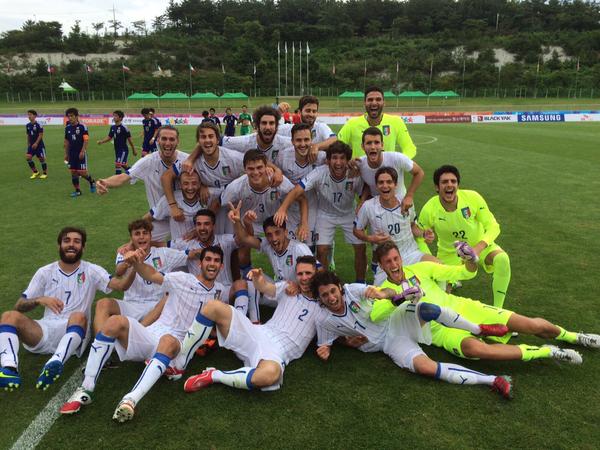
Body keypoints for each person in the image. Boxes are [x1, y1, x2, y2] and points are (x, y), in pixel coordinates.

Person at [60, 246, 226, 421]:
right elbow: (152, 274)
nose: (212, 264)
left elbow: (224, 319)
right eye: (208, 259)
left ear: (221, 266)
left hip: (177, 345)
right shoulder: (182, 279)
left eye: (216, 261)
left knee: (168, 341)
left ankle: (130, 399)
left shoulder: (220, 291)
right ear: (201, 263)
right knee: (115, 321)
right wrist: (136, 263)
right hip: (152, 335)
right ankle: (86, 389)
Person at [374, 240, 598, 364]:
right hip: (440, 331)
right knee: (478, 350)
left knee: (532, 325)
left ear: (401, 258)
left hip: (465, 308)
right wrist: (398, 299)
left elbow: (464, 274)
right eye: (388, 262)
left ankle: (576, 337)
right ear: (382, 266)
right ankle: (547, 352)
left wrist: (471, 261)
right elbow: (376, 315)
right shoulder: (384, 290)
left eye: (396, 258)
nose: (394, 264)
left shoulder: (421, 269)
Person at [312, 270, 513, 399]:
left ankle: (478, 328)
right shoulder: (323, 319)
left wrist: (383, 294)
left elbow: (388, 293)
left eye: (332, 291)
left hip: (395, 320)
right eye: (325, 295)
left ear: (339, 287)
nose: (331, 298)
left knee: (427, 309)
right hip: (388, 344)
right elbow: (328, 342)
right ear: (319, 299)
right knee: (425, 368)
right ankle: (493, 380)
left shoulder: (353, 291)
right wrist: (345, 343)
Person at [0, 227, 134, 391]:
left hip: (75, 331)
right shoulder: (45, 272)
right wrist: (39, 300)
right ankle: (9, 368)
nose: (71, 245)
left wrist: (134, 265)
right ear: (59, 246)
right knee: (9, 316)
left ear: (83, 248)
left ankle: (55, 362)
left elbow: (121, 285)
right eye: (67, 241)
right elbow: (20, 305)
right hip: (45, 330)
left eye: (77, 242)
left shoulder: (91, 270)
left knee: (78, 315)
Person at [182, 256, 330, 394]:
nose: (304, 278)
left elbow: (338, 326)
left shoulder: (324, 306)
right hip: (257, 332)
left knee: (270, 375)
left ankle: (214, 375)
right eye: (300, 274)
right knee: (213, 307)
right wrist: (258, 278)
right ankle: (179, 363)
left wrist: (327, 346)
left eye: (308, 273)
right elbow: (265, 287)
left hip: (276, 352)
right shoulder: (288, 288)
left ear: (316, 273)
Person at [417, 165, 511, 308]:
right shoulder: (429, 208)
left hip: (478, 245)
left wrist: (478, 248)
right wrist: (431, 258)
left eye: (453, 181)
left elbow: (493, 226)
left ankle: (498, 310)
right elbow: (419, 236)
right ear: (437, 187)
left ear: (458, 185)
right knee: (440, 299)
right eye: (444, 182)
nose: (449, 185)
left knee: (502, 259)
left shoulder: (473, 198)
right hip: (449, 253)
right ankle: (450, 284)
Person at [275, 141, 366, 282]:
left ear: (347, 160)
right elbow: (297, 190)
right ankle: (324, 283)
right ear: (328, 161)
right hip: (325, 214)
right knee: (322, 250)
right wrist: (283, 208)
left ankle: (361, 283)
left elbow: (365, 190)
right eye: (334, 158)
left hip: (349, 213)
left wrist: (361, 204)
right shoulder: (319, 172)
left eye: (342, 158)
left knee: (360, 248)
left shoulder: (354, 173)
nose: (338, 162)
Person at [93, 219, 188, 335]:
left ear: (150, 236)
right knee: (103, 303)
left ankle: (135, 333)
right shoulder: (125, 253)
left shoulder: (164, 253)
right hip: (132, 304)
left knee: (169, 299)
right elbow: (118, 272)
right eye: (137, 234)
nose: (142, 237)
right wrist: (133, 262)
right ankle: (99, 343)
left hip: (156, 305)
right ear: (131, 238)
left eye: (145, 233)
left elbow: (191, 254)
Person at [95, 126, 189, 240]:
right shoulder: (149, 161)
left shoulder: (187, 160)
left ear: (178, 141)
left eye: (172, 139)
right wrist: (104, 182)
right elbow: (124, 177)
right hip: (157, 218)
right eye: (164, 139)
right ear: (157, 140)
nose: (167, 143)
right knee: (140, 245)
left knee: (188, 250)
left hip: (182, 215)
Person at [354, 167, 439, 284]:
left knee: (440, 268)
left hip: (411, 253)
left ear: (395, 185)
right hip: (387, 260)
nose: (385, 186)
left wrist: (423, 233)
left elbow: (412, 226)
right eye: (381, 182)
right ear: (377, 186)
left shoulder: (406, 202)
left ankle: (443, 300)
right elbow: (357, 230)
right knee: (382, 295)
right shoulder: (368, 207)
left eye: (389, 182)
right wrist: (370, 238)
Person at [161, 122, 244, 234]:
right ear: (198, 142)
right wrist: (173, 206)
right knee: (215, 243)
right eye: (203, 137)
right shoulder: (191, 162)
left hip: (233, 206)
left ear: (218, 140)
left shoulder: (233, 157)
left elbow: (254, 165)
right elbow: (166, 177)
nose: (207, 140)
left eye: (211, 136)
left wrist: (275, 169)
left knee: (237, 243)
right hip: (212, 208)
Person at [274, 123, 327, 248]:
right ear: (292, 141)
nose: (303, 144)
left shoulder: (321, 157)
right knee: (290, 245)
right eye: (298, 140)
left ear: (311, 140)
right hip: (289, 207)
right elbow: (277, 177)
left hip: (312, 204)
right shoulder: (283, 157)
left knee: (309, 244)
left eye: (306, 140)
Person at [338, 86, 417, 159]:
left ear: (384, 103)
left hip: (386, 173)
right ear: (364, 103)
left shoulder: (396, 122)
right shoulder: (352, 123)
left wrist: (398, 161)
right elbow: (337, 146)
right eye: (370, 100)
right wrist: (348, 162)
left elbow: (409, 148)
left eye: (378, 99)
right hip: (360, 173)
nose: (374, 103)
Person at [354, 127, 423, 209]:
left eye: (376, 142)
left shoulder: (397, 158)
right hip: (376, 209)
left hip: (401, 205)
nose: (373, 147)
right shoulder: (359, 164)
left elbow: (419, 172)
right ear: (362, 146)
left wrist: (409, 196)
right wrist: (362, 201)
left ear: (382, 145)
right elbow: (368, 184)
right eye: (369, 143)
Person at [147, 170, 216, 240]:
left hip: (204, 248)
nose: (190, 187)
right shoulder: (170, 199)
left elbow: (225, 192)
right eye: (186, 183)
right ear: (180, 184)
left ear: (199, 184)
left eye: (194, 183)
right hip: (178, 249)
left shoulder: (208, 195)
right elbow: (149, 217)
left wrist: (205, 186)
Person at [221, 105, 291, 163]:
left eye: (271, 123)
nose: (268, 127)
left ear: (277, 126)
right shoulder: (244, 142)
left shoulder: (287, 143)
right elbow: (220, 140)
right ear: (257, 126)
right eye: (264, 123)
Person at [64, 107, 96, 197]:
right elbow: (66, 141)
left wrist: (82, 151)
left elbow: (86, 140)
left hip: (80, 153)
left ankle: (92, 181)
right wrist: (66, 154)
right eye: (68, 116)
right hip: (71, 154)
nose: (70, 118)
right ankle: (78, 190)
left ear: (76, 116)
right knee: (73, 172)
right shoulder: (67, 128)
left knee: (82, 173)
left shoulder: (82, 126)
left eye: (72, 116)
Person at [97, 110, 137, 175]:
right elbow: (109, 137)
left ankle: (116, 180)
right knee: (123, 165)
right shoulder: (113, 127)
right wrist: (101, 141)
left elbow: (130, 140)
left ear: (120, 118)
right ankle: (134, 174)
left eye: (116, 116)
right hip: (117, 149)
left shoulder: (124, 128)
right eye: (114, 116)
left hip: (123, 149)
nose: (114, 117)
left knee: (118, 164)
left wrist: (133, 149)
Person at [25, 109, 48, 179]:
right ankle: (35, 172)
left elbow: (40, 135)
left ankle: (45, 173)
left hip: (39, 145)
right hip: (31, 145)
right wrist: (28, 143)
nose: (29, 116)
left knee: (41, 159)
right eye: (28, 115)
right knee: (28, 157)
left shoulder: (39, 124)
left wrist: (36, 143)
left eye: (30, 115)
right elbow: (28, 135)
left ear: (35, 116)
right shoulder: (28, 125)